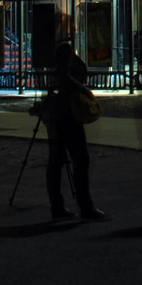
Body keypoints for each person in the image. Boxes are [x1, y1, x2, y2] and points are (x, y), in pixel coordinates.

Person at [40, 41, 110, 222]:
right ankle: (86, 207)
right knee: (80, 160)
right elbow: (69, 79)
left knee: (56, 163)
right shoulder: (67, 79)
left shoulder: (58, 75)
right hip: (69, 119)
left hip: (58, 119)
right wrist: (84, 89)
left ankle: (57, 207)